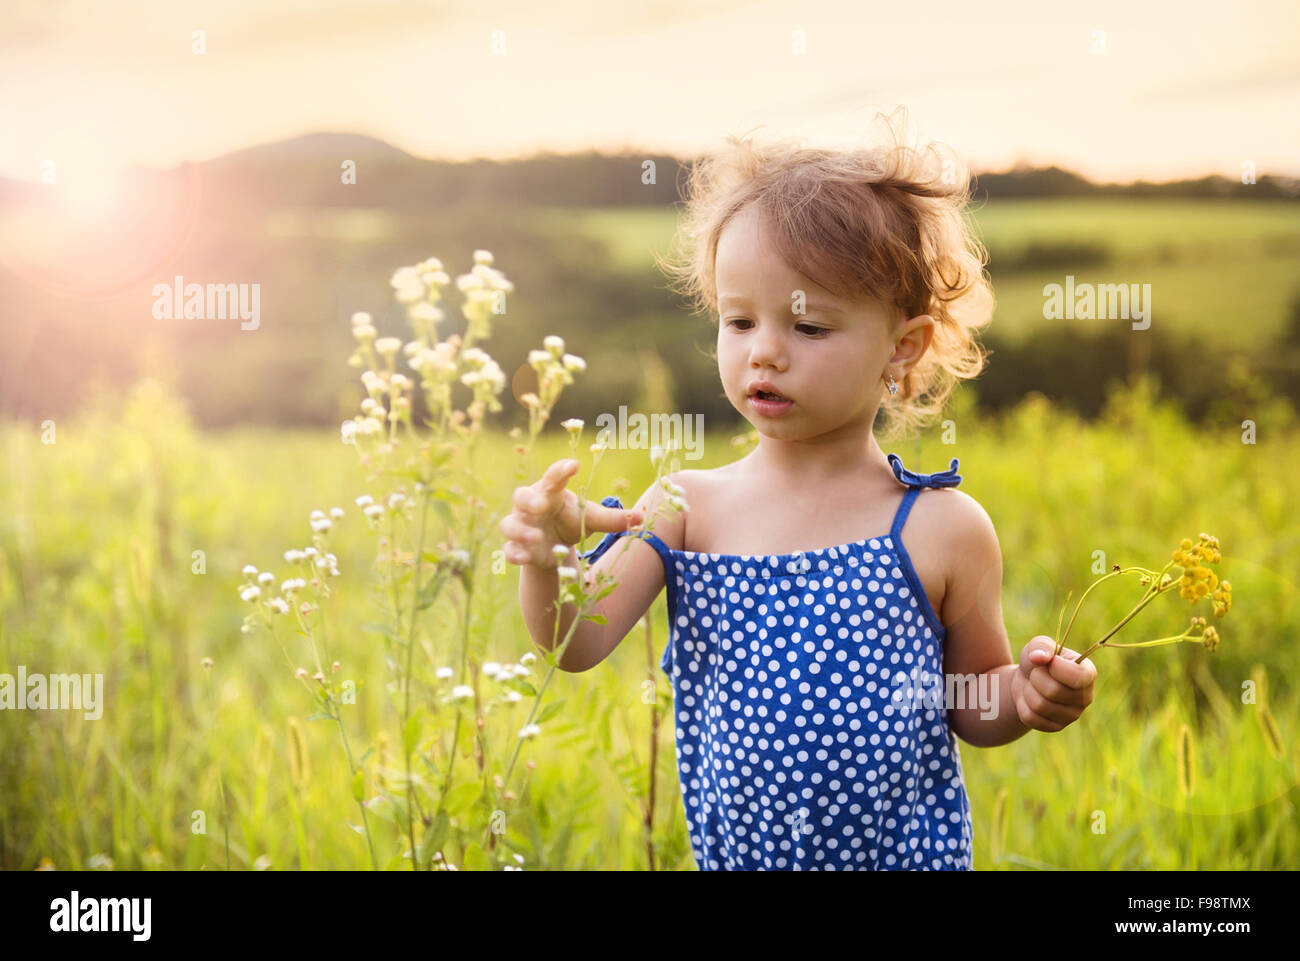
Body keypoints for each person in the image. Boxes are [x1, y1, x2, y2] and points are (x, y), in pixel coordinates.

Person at [500, 108, 1097, 870]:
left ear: (902, 347)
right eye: (740, 321)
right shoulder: (682, 507)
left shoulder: (941, 528)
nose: (766, 354)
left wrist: (1027, 699)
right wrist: (547, 558)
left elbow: (970, 699)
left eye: (810, 328)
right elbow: (572, 641)